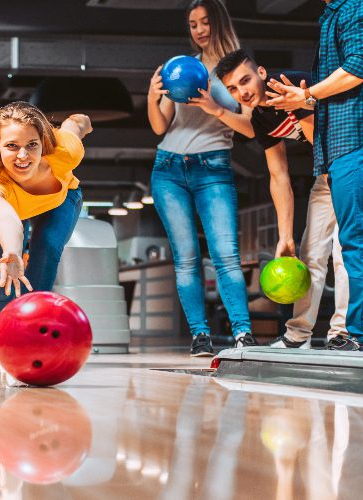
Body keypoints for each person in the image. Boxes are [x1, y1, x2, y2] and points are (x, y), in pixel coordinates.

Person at [216, 50, 363, 350]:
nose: (242, 92)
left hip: (360, 156)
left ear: (261, 72)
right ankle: (298, 335)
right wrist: (285, 236)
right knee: (309, 251)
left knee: (343, 247)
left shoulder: (293, 84)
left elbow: (318, 137)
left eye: (245, 80)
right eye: (232, 88)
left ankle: (343, 332)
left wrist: (296, 108)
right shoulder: (261, 116)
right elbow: (279, 176)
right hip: (328, 170)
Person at [265, 0, 363, 352]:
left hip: (359, 138)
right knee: (349, 242)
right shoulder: (334, 14)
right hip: (340, 148)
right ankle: (358, 334)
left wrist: (307, 94)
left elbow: (358, 68)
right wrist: (307, 101)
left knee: (356, 241)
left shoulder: (358, 6)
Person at [148, 0, 259, 357]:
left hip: (213, 168)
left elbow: (249, 127)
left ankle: (243, 333)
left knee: (226, 255)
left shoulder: (237, 69)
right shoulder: (183, 67)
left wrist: (215, 107)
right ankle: (200, 335)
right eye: (193, 24)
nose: (199, 30)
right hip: (168, 169)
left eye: (205, 22)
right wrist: (153, 97)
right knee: (186, 258)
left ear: (219, 22)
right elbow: (159, 126)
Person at [0, 102, 93, 362]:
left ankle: (31, 333)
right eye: (11, 146)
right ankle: (5, 332)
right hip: (12, 211)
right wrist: (12, 252)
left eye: (32, 145)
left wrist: (82, 119)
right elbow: (7, 218)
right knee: (3, 279)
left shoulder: (64, 151)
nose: (23, 155)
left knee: (48, 246)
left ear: (43, 142)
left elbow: (74, 126)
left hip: (60, 200)